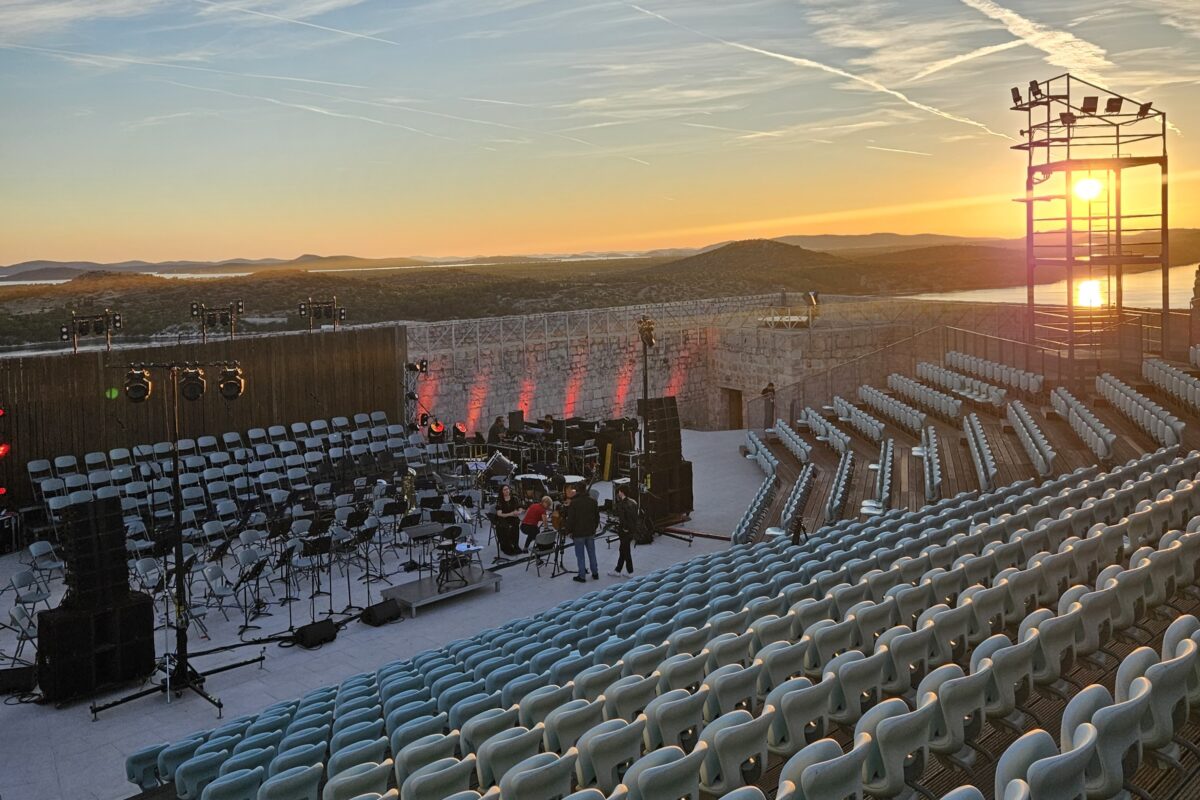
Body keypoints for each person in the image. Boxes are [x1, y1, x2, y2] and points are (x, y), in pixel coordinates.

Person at [563, 484, 600, 582]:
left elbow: (571, 519)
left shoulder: (574, 503)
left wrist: (568, 531)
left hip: (578, 533)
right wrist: (594, 528)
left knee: (580, 556)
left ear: (578, 491)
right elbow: (597, 517)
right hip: (590, 532)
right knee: (592, 553)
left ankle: (582, 576)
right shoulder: (593, 501)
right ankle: (595, 573)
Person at [609, 485, 638, 577]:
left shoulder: (621, 505)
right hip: (632, 530)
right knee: (623, 550)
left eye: (619, 492)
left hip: (624, 531)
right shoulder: (633, 502)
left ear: (621, 492)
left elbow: (623, 519)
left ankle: (630, 571)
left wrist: (624, 528)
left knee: (625, 551)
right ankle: (618, 570)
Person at [492, 484, 522, 557]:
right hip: (503, 517)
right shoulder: (500, 500)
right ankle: (507, 546)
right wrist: (511, 514)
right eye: (505, 490)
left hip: (513, 517)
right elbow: (499, 514)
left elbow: (520, 508)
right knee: (505, 527)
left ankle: (515, 544)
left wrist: (518, 512)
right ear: (502, 491)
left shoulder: (514, 498)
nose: (507, 491)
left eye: (507, 489)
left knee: (515, 526)